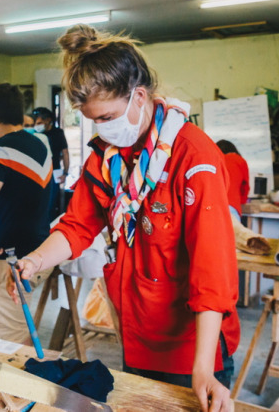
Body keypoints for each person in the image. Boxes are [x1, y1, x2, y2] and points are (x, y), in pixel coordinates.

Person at [14, 25, 239, 412]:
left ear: (139, 96)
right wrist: (36, 260)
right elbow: (78, 225)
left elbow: (212, 272)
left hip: (191, 347)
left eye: (107, 117)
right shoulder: (106, 156)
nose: (102, 129)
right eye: (93, 121)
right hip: (136, 332)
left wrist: (204, 367)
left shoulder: (193, 157)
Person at [0, 83, 51, 344]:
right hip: (43, 254)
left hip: (10, 262)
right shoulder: (42, 144)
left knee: (7, 347)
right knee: (19, 330)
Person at [32, 107, 69, 218]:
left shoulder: (58, 133)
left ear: (48, 120)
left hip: (54, 172)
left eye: (40, 122)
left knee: (51, 204)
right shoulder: (34, 133)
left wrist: (65, 173)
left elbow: (65, 153)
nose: (37, 125)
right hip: (37, 173)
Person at [216, 139, 249, 220]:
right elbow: (245, 186)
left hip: (214, 204)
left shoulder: (215, 159)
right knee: (234, 232)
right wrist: (242, 202)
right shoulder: (240, 160)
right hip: (232, 205)